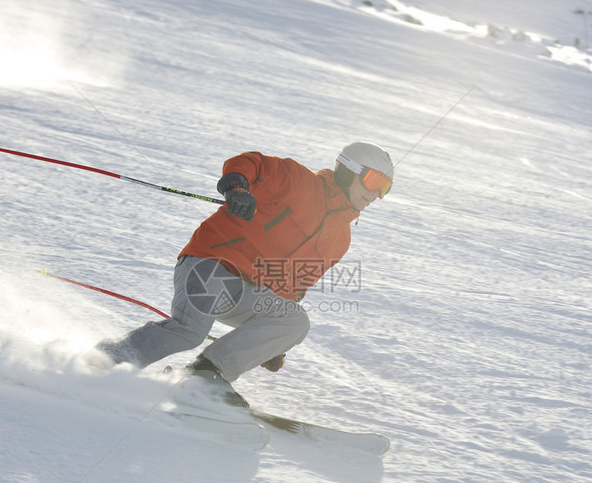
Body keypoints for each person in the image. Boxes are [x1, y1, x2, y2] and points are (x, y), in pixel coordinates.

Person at [96, 141, 394, 397]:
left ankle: (205, 375)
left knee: (294, 321)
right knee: (189, 331)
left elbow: (292, 288)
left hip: (247, 294)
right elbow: (249, 163)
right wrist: (236, 189)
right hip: (210, 265)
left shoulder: (340, 239)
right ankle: (109, 358)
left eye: (384, 188)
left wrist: (271, 344)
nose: (375, 195)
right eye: (373, 182)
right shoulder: (297, 180)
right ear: (348, 169)